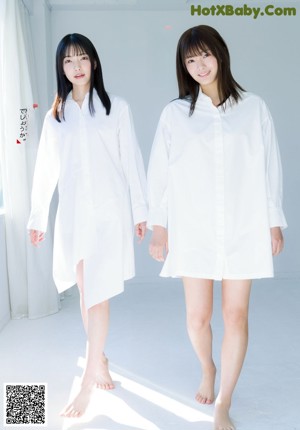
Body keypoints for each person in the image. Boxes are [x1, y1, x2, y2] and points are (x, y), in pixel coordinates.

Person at [147, 25, 287, 430]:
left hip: (245, 224)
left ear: (221, 54)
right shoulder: (175, 114)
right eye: (190, 60)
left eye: (205, 55)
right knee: (197, 318)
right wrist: (160, 227)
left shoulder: (254, 108)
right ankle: (207, 367)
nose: (199, 65)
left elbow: (269, 168)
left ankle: (223, 400)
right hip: (194, 227)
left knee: (236, 315)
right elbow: (160, 172)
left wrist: (273, 221)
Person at [27, 33, 147, 418]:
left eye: (83, 59)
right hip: (74, 215)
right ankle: (101, 358)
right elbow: (46, 169)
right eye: (68, 61)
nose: (76, 67)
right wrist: (37, 216)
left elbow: (133, 161)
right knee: (84, 289)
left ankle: (87, 380)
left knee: (98, 293)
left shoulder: (116, 108)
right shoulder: (56, 116)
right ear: (61, 68)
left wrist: (141, 211)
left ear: (94, 62)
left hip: (110, 213)